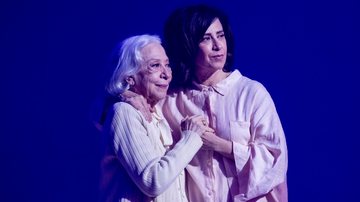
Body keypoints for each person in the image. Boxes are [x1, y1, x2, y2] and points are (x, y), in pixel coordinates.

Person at [123, 5, 288, 202]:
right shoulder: (171, 99)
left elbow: (275, 161)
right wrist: (123, 96)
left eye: (221, 35)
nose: (218, 46)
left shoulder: (251, 93)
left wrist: (221, 145)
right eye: (206, 38)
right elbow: (119, 127)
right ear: (187, 44)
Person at [99, 34, 214, 202]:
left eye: (167, 65)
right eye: (155, 66)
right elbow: (152, 182)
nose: (166, 74)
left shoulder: (157, 113)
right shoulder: (124, 112)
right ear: (129, 77)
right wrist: (191, 137)